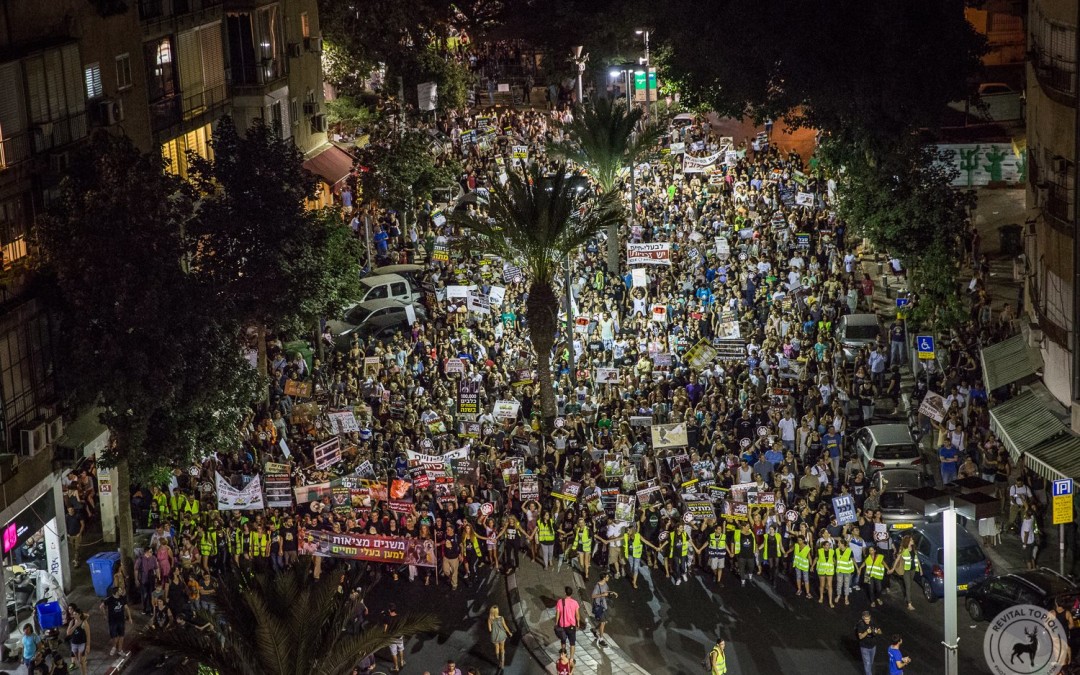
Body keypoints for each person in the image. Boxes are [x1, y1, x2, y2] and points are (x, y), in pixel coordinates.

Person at [100, 585, 132, 657]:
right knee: (114, 636)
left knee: (121, 635)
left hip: (121, 620)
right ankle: (114, 647)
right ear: (116, 592)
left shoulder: (122, 598)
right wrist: (104, 615)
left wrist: (130, 618)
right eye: (120, 590)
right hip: (112, 621)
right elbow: (101, 606)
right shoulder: (109, 599)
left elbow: (126, 608)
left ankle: (120, 650)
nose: (121, 591)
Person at [555, 585, 582, 660]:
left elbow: (558, 614)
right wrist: (578, 623)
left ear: (565, 593)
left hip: (562, 625)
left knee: (563, 640)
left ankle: (563, 654)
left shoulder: (560, 602)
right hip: (571, 626)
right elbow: (577, 615)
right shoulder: (575, 603)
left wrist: (556, 623)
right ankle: (571, 659)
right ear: (571, 593)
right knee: (572, 643)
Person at [591, 572, 616, 648]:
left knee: (604, 622)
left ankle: (595, 630)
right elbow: (593, 596)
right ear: (604, 578)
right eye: (607, 577)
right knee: (603, 623)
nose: (608, 578)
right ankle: (601, 639)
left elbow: (606, 592)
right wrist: (602, 595)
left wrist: (612, 592)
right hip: (599, 606)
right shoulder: (597, 586)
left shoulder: (606, 585)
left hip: (604, 606)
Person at [855, 611, 883, 675]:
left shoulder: (873, 622)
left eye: (868, 619)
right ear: (862, 617)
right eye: (865, 619)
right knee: (867, 664)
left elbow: (880, 632)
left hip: (873, 647)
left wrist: (876, 631)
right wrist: (866, 632)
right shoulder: (860, 624)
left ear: (870, 617)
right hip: (864, 647)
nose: (867, 621)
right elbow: (860, 637)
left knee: (870, 663)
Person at [66, 603, 90, 675]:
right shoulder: (72, 622)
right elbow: (68, 633)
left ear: (79, 614)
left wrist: (88, 645)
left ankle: (84, 673)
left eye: (75, 614)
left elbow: (88, 634)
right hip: (74, 643)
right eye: (74, 614)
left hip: (82, 643)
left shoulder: (84, 623)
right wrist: (75, 626)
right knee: (79, 661)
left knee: (81, 660)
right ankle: (82, 666)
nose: (73, 615)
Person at [383, 603, 405, 673]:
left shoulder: (387, 618)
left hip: (391, 638)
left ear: (389, 610)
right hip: (399, 636)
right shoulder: (399, 617)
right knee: (401, 649)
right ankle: (402, 662)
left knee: (394, 653)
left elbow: (385, 629)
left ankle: (396, 667)